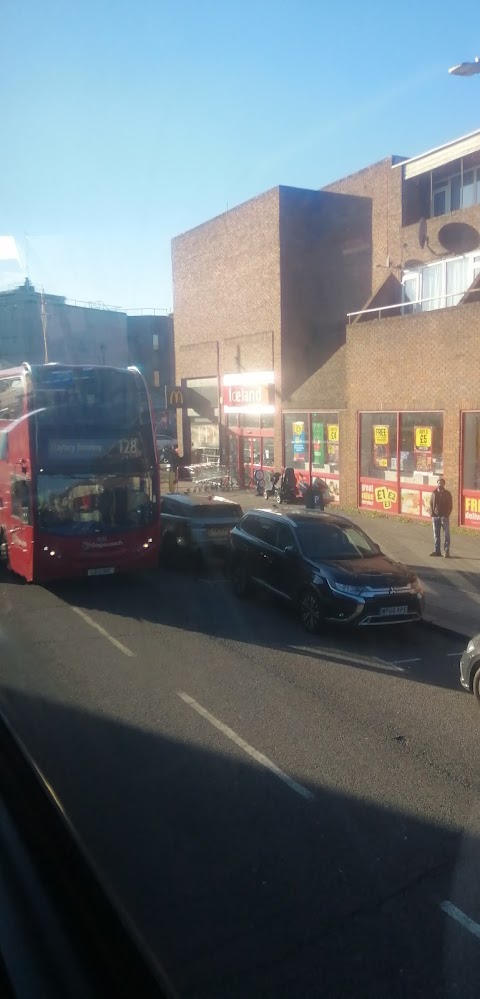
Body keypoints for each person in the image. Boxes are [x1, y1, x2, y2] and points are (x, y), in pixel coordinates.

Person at [429, 477, 453, 558]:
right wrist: (432, 514)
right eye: (438, 483)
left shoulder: (447, 493)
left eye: (441, 483)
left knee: (446, 535)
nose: (440, 484)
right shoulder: (434, 493)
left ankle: (446, 551)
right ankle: (437, 551)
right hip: (435, 517)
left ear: (444, 484)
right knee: (436, 535)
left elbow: (450, 506)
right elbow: (431, 504)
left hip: (444, 517)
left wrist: (446, 515)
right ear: (437, 484)